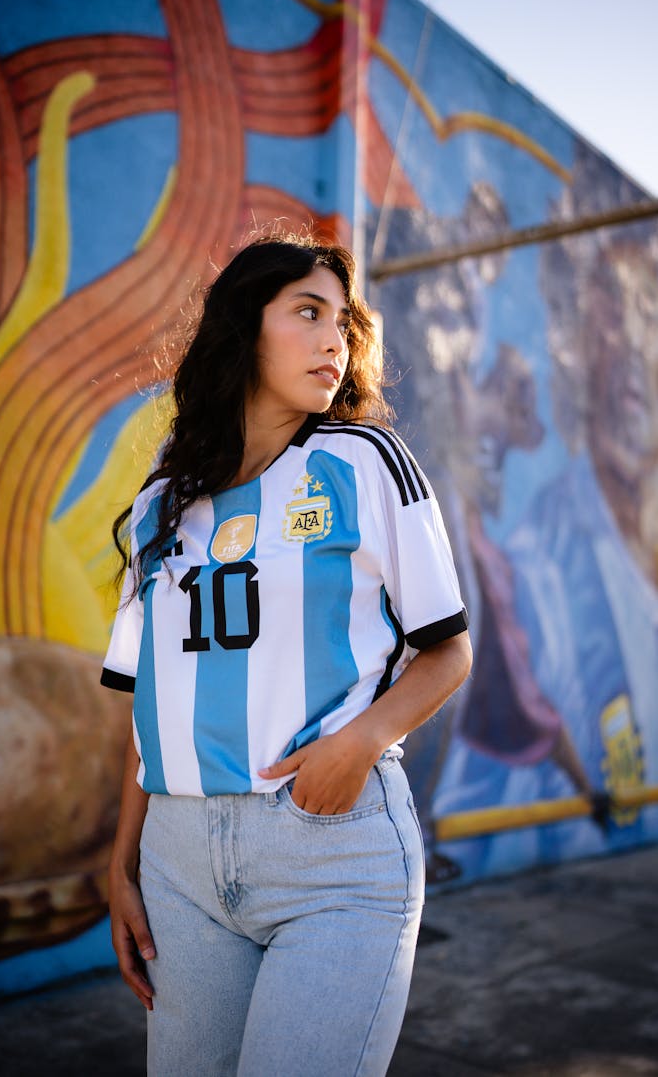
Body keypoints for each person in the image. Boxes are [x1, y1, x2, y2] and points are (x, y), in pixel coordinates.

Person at [101, 233, 472, 1076]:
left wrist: (359, 742)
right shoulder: (165, 498)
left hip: (331, 848)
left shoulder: (364, 462)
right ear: (245, 326)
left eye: (342, 321)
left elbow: (449, 652)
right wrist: (121, 862)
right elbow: (150, 701)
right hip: (179, 864)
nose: (333, 338)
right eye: (307, 312)